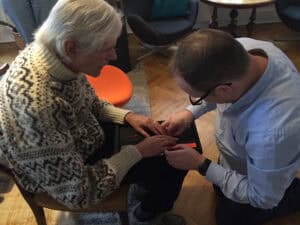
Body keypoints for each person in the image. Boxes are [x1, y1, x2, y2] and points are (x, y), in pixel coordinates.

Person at [0, 1, 187, 225]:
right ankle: (148, 214)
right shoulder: (38, 108)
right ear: (71, 47)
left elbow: (89, 102)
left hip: (78, 141)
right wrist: (136, 153)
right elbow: (77, 193)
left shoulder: (52, 54)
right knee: (172, 160)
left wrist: (127, 117)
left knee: (162, 137)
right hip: (67, 179)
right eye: (105, 48)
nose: (113, 57)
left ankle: (146, 187)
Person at [163, 29, 300, 225]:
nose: (195, 101)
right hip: (240, 158)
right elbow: (217, 91)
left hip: (261, 185)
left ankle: (293, 192)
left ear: (224, 90)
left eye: (196, 96)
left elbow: (263, 198)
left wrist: (201, 164)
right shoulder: (243, 50)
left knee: (226, 219)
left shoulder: (272, 133)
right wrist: (189, 113)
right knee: (220, 189)